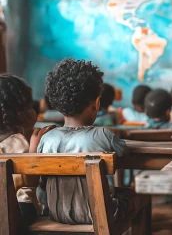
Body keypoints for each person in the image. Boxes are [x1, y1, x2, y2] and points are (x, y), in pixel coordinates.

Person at [37, 58, 145, 224]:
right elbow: (125, 152)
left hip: (56, 213)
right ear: (96, 103)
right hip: (99, 215)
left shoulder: (46, 138)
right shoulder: (102, 135)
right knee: (136, 196)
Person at [0, 74, 54, 226]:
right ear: (19, 113)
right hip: (19, 210)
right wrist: (34, 153)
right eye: (29, 106)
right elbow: (31, 180)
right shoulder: (17, 142)